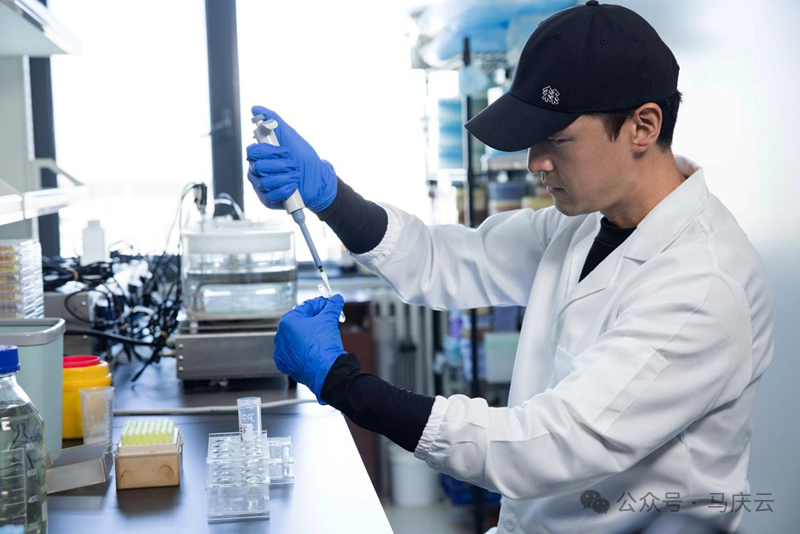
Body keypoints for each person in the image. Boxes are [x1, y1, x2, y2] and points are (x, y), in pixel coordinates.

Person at [245, 2, 773, 533]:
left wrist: (343, 382)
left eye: (557, 139)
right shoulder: (585, 223)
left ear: (643, 126)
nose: (534, 162)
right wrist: (330, 196)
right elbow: (443, 260)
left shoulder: (703, 284)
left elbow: (543, 445)